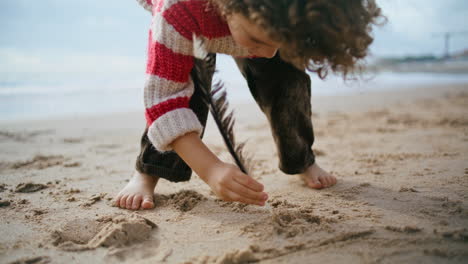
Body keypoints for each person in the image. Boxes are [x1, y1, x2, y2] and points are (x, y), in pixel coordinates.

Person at [114, 0, 384, 210]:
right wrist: (211, 169)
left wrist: (272, 42)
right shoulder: (177, 10)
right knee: (185, 89)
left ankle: (301, 159)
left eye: (281, 43)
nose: (268, 52)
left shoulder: (290, 17)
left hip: (260, 21)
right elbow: (164, 99)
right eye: (258, 41)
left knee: (288, 83)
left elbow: (272, 45)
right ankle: (147, 172)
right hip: (195, 23)